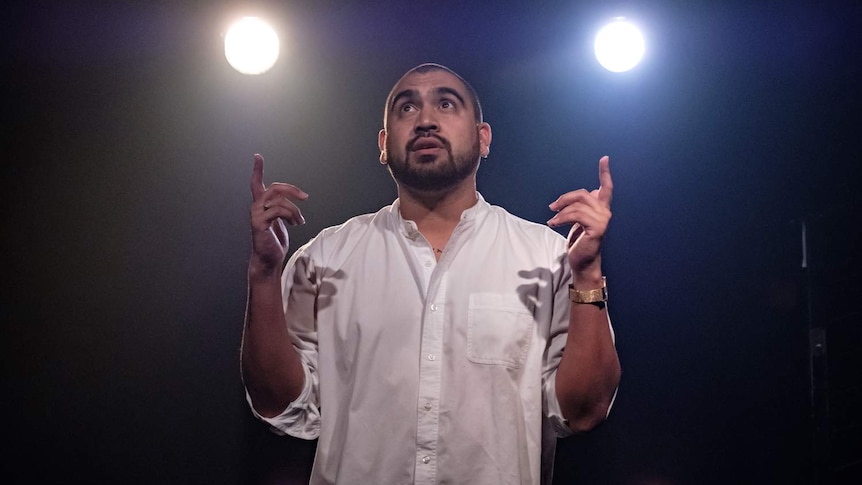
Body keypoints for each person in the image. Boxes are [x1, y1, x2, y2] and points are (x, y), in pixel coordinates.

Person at [241, 63, 621, 485]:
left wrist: (587, 275)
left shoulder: (547, 256)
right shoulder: (326, 257)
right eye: (406, 108)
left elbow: (583, 412)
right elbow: (281, 406)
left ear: (483, 138)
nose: (425, 120)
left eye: (446, 104)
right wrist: (263, 274)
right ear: (384, 145)